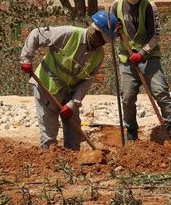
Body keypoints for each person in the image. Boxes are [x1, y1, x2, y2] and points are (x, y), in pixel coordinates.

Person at [20, 10, 119, 150]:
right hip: (46, 86)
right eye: (102, 39)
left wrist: (73, 104)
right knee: (49, 133)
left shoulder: (98, 55)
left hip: (69, 93)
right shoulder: (69, 33)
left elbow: (87, 81)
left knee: (73, 133)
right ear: (94, 31)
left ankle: (73, 162)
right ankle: (50, 164)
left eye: (105, 41)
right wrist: (26, 59)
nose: (102, 43)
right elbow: (36, 34)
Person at [110, 0, 171, 141]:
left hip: (149, 57)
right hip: (127, 59)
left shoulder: (149, 6)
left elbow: (155, 35)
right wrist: (113, 28)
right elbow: (111, 35)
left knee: (160, 91)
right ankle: (131, 131)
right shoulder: (115, 6)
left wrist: (142, 53)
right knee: (127, 97)